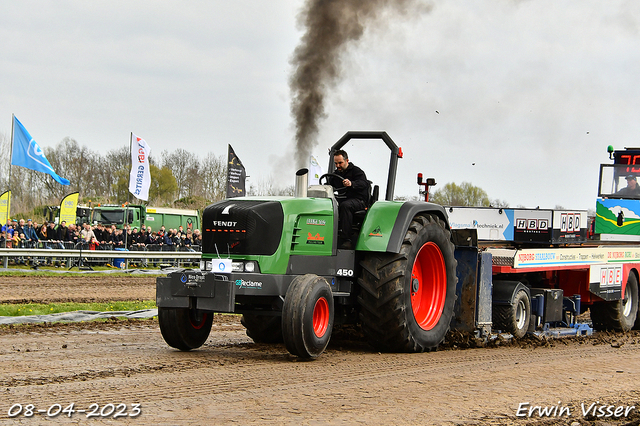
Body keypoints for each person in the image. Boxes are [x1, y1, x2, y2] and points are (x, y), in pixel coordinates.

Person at [328, 149, 370, 249]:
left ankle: (346, 239)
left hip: (359, 201)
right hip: (343, 199)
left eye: (340, 163)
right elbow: (329, 185)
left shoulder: (357, 171)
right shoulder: (336, 175)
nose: (338, 165)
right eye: (336, 163)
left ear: (347, 161)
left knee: (345, 206)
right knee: (329, 204)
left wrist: (352, 183)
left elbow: (364, 183)